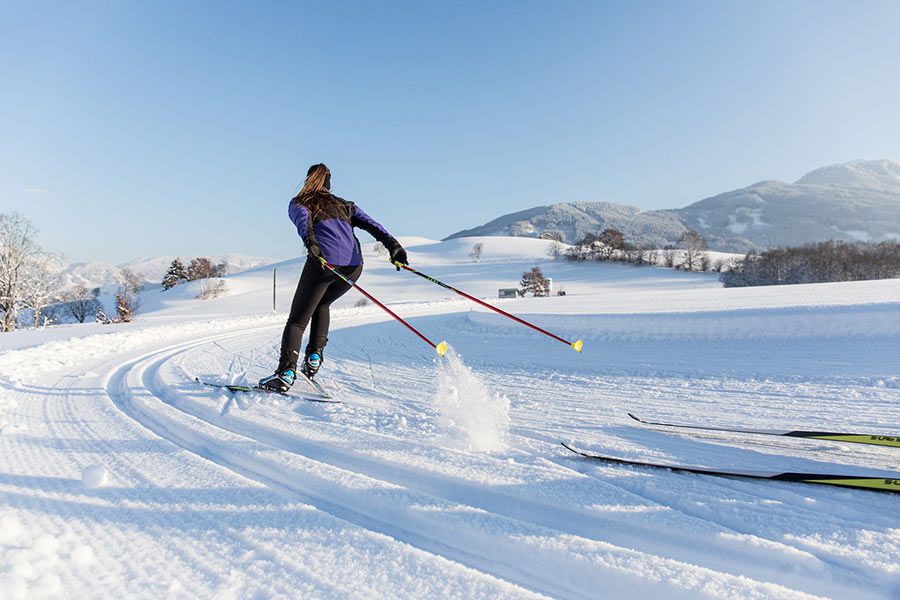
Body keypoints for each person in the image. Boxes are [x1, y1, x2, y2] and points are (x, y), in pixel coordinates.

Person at [259, 163, 408, 392]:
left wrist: (313, 247)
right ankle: (314, 357)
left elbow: (303, 224)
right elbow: (374, 226)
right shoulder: (345, 205)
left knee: (297, 321)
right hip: (353, 268)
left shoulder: (300, 202)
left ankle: (286, 373)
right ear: (329, 183)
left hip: (324, 263)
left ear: (308, 180)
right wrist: (394, 248)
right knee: (322, 303)